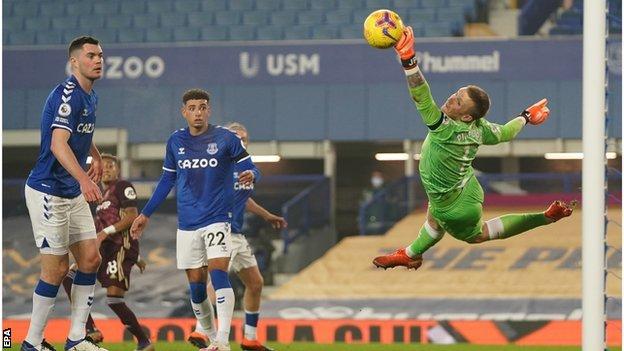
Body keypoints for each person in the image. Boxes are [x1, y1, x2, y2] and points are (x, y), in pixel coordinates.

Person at [373, 27, 576, 270]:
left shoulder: (445, 128)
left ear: (467, 117)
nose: (450, 99)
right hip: (466, 186)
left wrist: (408, 59)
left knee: (475, 235)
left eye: (458, 101)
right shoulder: (481, 128)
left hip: (455, 206)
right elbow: (507, 133)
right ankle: (410, 254)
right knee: (434, 221)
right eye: (456, 93)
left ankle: (545, 217)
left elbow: (421, 94)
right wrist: (525, 117)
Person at [130, 89, 260, 351]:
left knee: (219, 273)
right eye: (193, 108)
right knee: (197, 288)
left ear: (208, 110)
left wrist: (253, 174)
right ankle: (210, 339)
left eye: (202, 107)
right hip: (188, 222)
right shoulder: (175, 141)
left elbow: (252, 165)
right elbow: (167, 179)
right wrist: (145, 213)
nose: (198, 112)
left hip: (217, 219)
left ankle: (223, 341)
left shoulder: (225, 138)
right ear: (184, 112)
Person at [21, 36, 107, 351]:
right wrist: (85, 178)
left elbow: (80, 131)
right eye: (90, 56)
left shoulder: (91, 96)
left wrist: (95, 153)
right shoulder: (67, 95)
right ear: (74, 62)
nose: (98, 60)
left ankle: (76, 339)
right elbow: (58, 144)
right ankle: (31, 343)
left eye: (100, 55)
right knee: (56, 269)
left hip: (70, 191)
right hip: (48, 191)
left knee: (90, 258)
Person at [187, 122, 287, 351]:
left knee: (255, 283)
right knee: (218, 279)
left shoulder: (244, 166)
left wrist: (267, 215)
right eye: (237, 137)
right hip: (221, 229)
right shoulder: (217, 164)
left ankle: (249, 338)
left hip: (237, 234)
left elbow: (244, 198)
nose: (241, 140)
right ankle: (201, 329)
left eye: (244, 137)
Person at [61, 154, 154, 351]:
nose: (107, 169)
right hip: (104, 249)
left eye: (111, 165)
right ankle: (90, 328)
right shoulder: (100, 194)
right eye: (103, 166)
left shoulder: (123, 187)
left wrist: (106, 234)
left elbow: (131, 217)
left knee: (114, 299)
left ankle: (144, 341)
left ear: (118, 169)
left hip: (119, 248)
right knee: (69, 276)